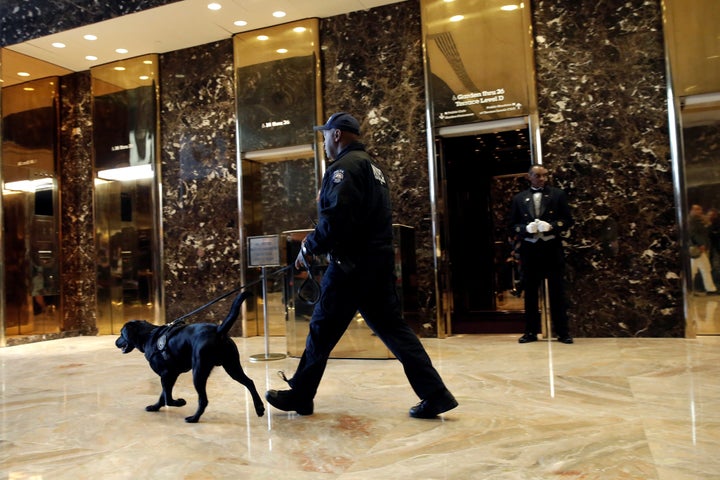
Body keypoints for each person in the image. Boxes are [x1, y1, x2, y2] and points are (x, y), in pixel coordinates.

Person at [265, 112, 457, 419]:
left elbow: (338, 219)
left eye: (325, 135)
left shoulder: (343, 168)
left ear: (337, 135)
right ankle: (436, 395)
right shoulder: (373, 168)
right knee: (395, 332)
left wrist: (309, 246)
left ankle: (301, 395)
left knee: (321, 330)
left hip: (350, 267)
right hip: (376, 266)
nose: (324, 141)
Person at [509, 164, 574, 344]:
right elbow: (512, 225)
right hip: (530, 251)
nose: (542, 179)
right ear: (529, 176)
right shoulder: (519, 199)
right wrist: (524, 228)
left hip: (551, 249)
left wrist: (552, 226)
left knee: (557, 293)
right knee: (530, 294)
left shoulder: (557, 195)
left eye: (544, 175)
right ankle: (530, 332)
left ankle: (562, 332)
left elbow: (568, 220)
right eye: (538, 176)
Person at [688, 204, 718, 295]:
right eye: (697, 209)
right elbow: (694, 234)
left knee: (702, 269)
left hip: (699, 248)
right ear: (691, 210)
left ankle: (709, 289)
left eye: (700, 209)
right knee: (700, 269)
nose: (699, 211)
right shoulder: (692, 221)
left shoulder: (698, 220)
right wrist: (701, 244)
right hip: (697, 249)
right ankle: (710, 289)